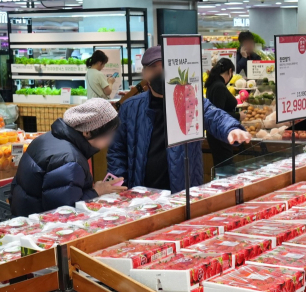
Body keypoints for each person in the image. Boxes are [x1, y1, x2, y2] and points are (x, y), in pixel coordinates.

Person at [107, 46, 251, 192]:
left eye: (164, 67)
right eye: (154, 68)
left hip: (181, 195)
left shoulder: (189, 100)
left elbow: (214, 116)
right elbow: (117, 150)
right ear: (144, 73)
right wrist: (119, 184)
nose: (160, 73)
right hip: (141, 196)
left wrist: (231, 129)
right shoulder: (131, 107)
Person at [10, 99, 125, 216]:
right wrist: (97, 191)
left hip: (25, 215)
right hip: (39, 226)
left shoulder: (47, 138)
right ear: (87, 132)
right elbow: (65, 211)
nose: (110, 141)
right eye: (107, 135)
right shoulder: (69, 160)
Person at [205, 58, 246, 167]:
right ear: (230, 71)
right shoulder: (219, 87)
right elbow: (219, 114)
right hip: (221, 135)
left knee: (221, 165)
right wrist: (238, 115)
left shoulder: (212, 84)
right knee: (225, 167)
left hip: (215, 133)